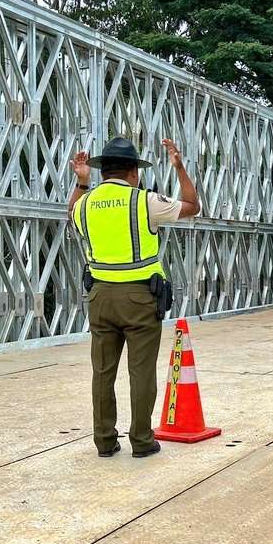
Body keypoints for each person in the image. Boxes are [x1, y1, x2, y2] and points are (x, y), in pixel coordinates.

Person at [68, 137, 200, 458]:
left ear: (102, 172)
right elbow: (192, 206)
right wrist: (179, 167)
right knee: (141, 373)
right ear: (133, 173)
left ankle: (104, 441)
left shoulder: (85, 203)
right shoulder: (144, 201)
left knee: (103, 373)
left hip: (100, 297)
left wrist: (81, 182)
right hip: (139, 299)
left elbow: (71, 211)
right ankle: (141, 441)